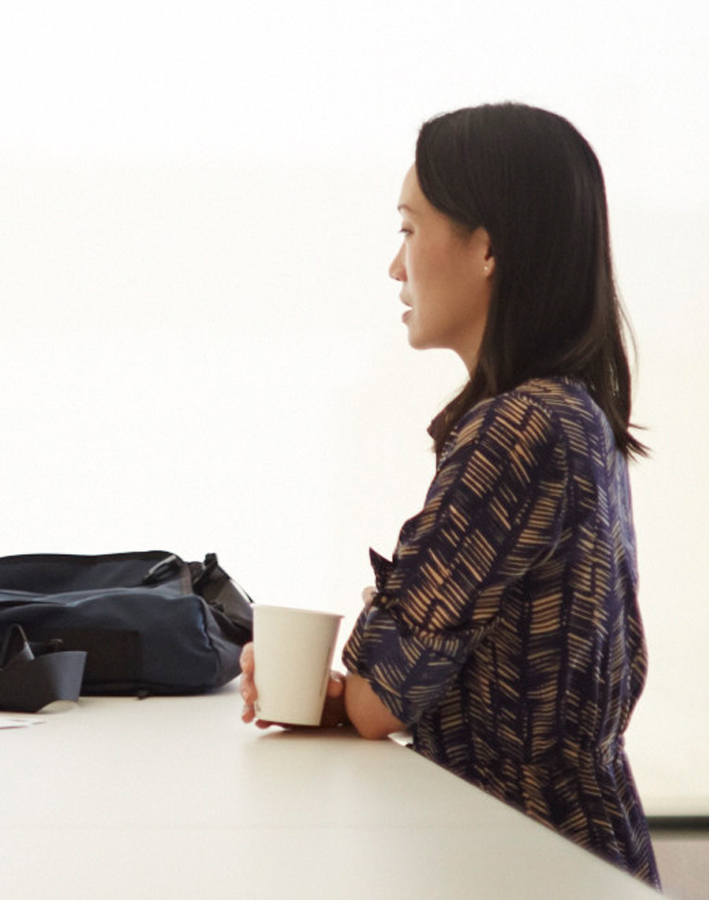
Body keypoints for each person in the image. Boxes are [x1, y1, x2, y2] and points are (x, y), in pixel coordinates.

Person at [239, 102, 658, 887]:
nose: (395, 267)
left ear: (487, 246)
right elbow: (403, 689)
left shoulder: (523, 427)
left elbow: (380, 703)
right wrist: (342, 696)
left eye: (408, 229)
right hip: (553, 855)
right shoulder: (566, 411)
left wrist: (349, 694)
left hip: (532, 866)